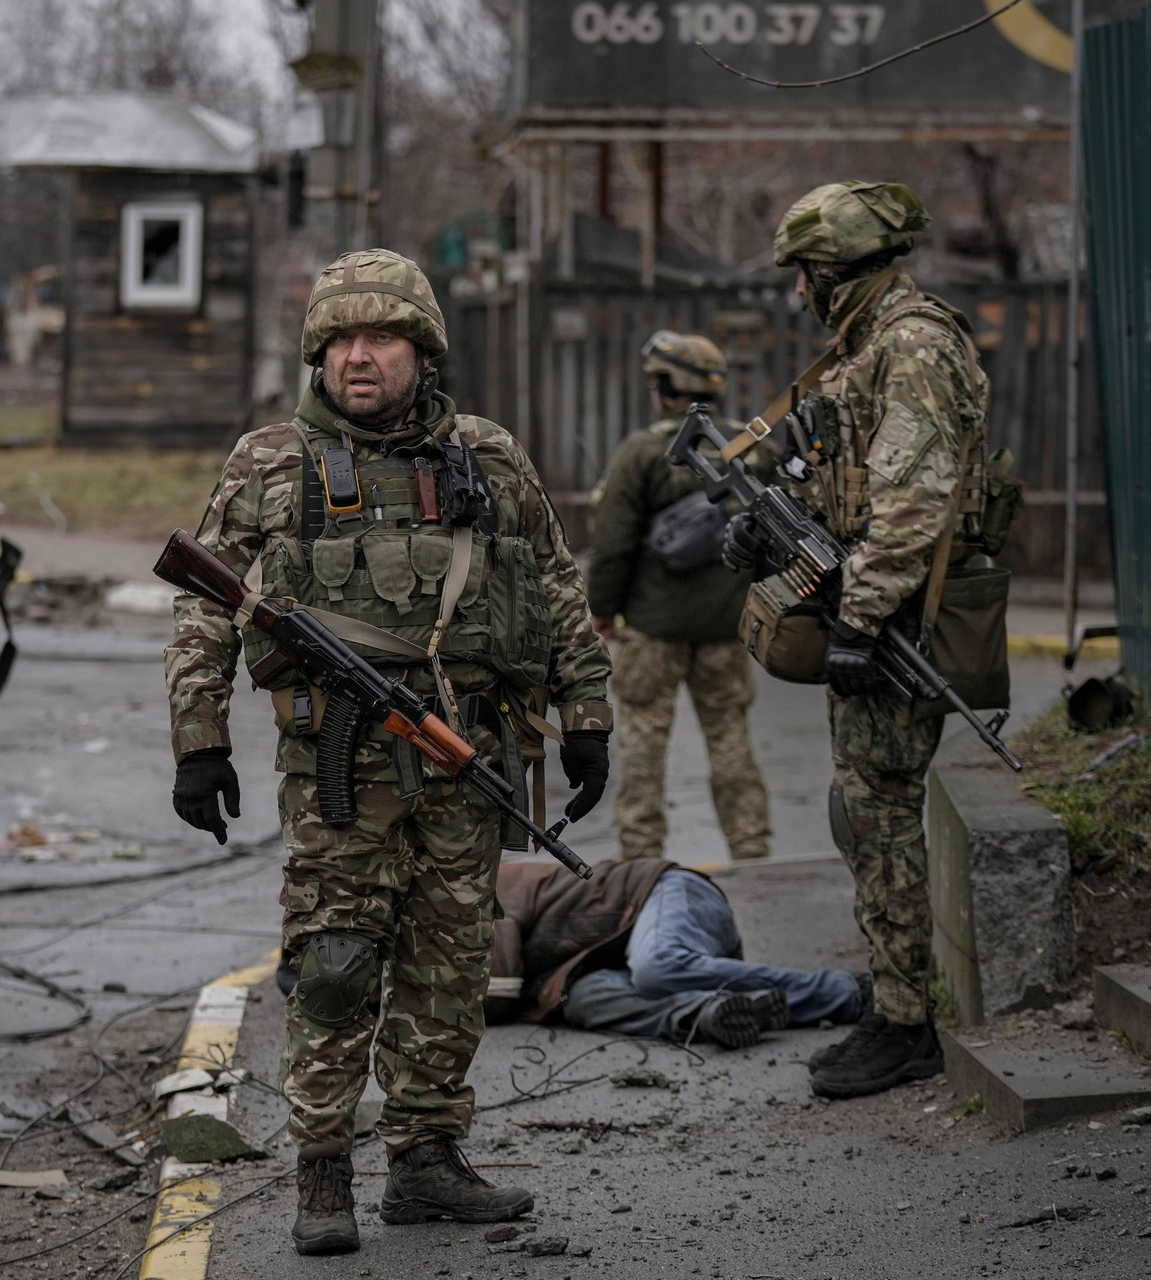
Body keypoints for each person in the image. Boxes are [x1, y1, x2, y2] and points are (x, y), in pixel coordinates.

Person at [165, 249, 614, 1256]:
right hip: (340, 768)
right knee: (332, 965)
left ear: (423, 348)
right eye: (340, 340)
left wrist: (589, 711)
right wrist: (200, 741)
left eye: (382, 337)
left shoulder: (488, 458)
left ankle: (425, 1160)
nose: (358, 358)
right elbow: (204, 610)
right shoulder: (270, 462)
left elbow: (552, 583)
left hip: (466, 760)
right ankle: (322, 1171)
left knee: (451, 966)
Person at [728, 181, 991, 1099]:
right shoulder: (869, 347)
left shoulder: (911, 345)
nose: (798, 291)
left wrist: (861, 616)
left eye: (804, 273)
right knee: (863, 814)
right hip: (880, 607)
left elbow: (914, 504)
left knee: (876, 815)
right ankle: (894, 1004)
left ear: (831, 272)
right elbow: (844, 485)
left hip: (904, 621)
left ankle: (905, 1023)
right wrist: (771, 528)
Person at [586, 332, 772, 863]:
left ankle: (642, 857)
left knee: (643, 745)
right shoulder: (752, 450)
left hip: (652, 629)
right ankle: (753, 847)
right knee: (731, 740)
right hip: (727, 628)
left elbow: (613, 545)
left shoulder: (644, 452)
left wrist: (603, 610)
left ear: (666, 386)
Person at [485, 859, 865, 1046]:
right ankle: (709, 1011)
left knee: (656, 966)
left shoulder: (482, 886)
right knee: (585, 999)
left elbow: (498, 989)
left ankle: (846, 993)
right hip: (629, 957)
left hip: (667, 892)